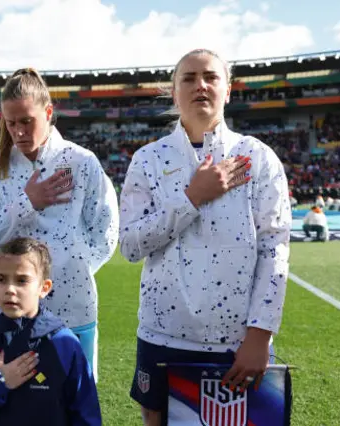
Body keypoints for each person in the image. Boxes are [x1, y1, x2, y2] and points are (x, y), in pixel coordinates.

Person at [119, 49, 291, 426]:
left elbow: (274, 248)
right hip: (162, 335)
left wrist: (260, 335)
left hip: (236, 342)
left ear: (228, 90)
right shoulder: (148, 160)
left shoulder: (258, 158)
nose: (201, 85)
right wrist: (191, 197)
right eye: (189, 78)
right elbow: (130, 246)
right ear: (174, 93)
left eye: (211, 77)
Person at [0, 68, 119, 378]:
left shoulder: (82, 161)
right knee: (8, 407)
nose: (19, 131)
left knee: (74, 406)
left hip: (74, 309)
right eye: (11, 123)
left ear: (48, 112)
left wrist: (72, 266)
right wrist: (26, 203)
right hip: (6, 311)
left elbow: (106, 231)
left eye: (27, 121)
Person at [0, 237, 101, 426]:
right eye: (2, 280)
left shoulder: (64, 343)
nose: (10, 289)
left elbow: (86, 413)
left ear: (44, 288)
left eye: (22, 280)